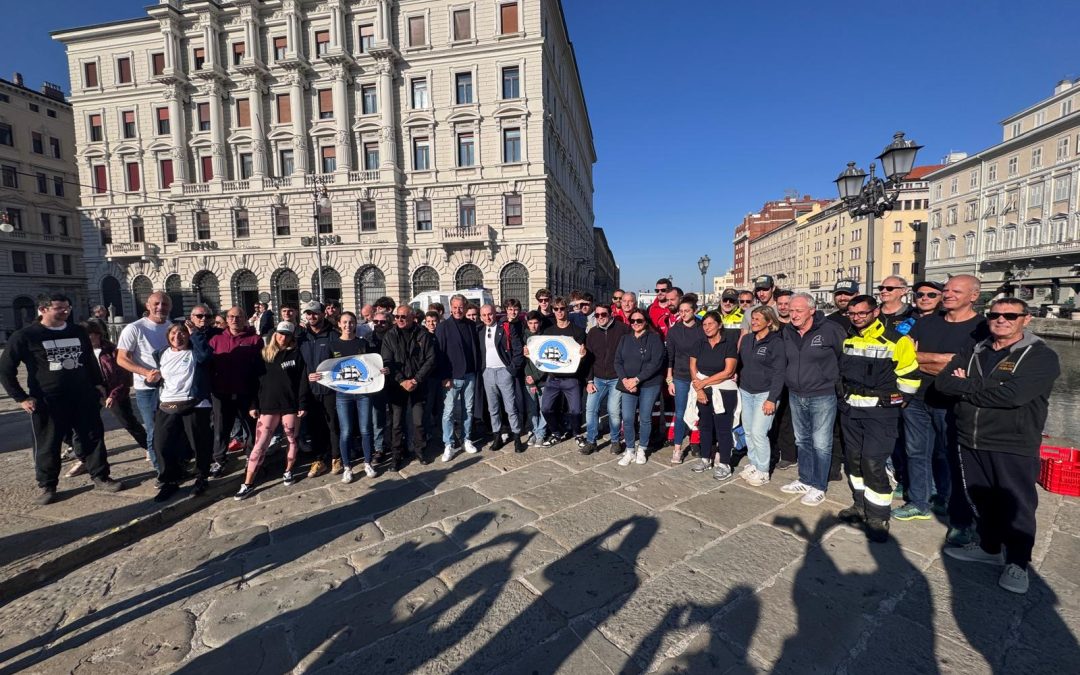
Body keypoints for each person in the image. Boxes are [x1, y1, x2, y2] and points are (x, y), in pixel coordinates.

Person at [936, 298, 1059, 594]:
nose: (1001, 320)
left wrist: (967, 386)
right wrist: (991, 388)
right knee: (980, 498)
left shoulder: (1040, 356)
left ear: (1025, 319)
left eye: (1010, 315)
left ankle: (1017, 562)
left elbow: (1014, 396)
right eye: (995, 315)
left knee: (1017, 504)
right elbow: (943, 383)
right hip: (970, 437)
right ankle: (989, 547)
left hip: (1013, 441)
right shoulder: (976, 348)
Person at [1, 294, 120, 504]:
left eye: (67, 307)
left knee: (93, 437)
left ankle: (101, 476)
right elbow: (5, 369)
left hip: (83, 396)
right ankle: (48, 486)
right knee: (48, 444)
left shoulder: (77, 331)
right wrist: (21, 398)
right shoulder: (26, 335)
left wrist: (99, 383)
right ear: (44, 309)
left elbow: (89, 359)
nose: (65, 311)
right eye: (59, 308)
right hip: (48, 400)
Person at [899, 275, 989, 542]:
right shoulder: (926, 322)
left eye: (955, 291)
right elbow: (906, 357)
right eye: (946, 290)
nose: (947, 294)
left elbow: (971, 368)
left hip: (953, 402)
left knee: (951, 456)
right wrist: (944, 361)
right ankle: (919, 502)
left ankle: (953, 507)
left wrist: (923, 359)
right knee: (915, 451)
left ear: (973, 296)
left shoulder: (981, 328)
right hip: (918, 397)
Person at [835, 295, 920, 543]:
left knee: (873, 463)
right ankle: (859, 505)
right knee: (854, 461)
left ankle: (878, 516)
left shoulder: (896, 340)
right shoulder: (849, 338)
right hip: (852, 409)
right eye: (853, 313)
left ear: (875, 312)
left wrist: (898, 402)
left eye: (862, 313)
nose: (857, 317)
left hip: (880, 412)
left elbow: (910, 376)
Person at [779, 293, 846, 506]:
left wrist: (836, 384)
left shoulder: (830, 330)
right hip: (796, 393)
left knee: (821, 443)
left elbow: (843, 357)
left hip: (822, 394)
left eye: (799, 311)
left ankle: (819, 486)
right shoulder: (788, 331)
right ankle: (806, 479)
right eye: (791, 311)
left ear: (811, 311)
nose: (794, 315)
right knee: (802, 439)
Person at [236, 322, 310, 500]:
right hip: (267, 405)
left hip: (290, 405)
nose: (282, 338)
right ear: (274, 334)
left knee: (292, 439)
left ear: (292, 337)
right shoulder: (263, 355)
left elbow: (302, 381)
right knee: (260, 444)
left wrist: (302, 404)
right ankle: (248, 482)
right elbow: (254, 383)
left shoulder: (296, 354)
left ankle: (288, 471)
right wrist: (253, 405)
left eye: (286, 335)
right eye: (280, 334)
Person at [65, 321, 148, 478]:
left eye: (88, 336)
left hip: (113, 391)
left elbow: (123, 375)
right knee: (83, 428)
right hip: (90, 393)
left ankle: (148, 447)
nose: (86, 340)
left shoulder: (111, 351)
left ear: (97, 334)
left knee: (128, 422)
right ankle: (83, 459)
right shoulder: (79, 351)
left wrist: (113, 395)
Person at [148, 321, 215, 501]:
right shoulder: (161, 353)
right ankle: (170, 480)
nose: (177, 337)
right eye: (173, 334)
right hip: (167, 404)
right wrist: (150, 380)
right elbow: (159, 379)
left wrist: (195, 333)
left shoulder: (195, 352)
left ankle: (201, 477)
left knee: (199, 444)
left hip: (194, 404)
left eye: (182, 333)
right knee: (162, 444)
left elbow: (206, 357)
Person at [116, 291, 173, 470]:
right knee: (154, 429)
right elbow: (121, 358)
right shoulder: (135, 328)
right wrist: (145, 372)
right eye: (156, 303)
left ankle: (173, 463)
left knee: (171, 428)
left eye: (164, 304)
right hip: (147, 389)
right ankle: (160, 470)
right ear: (147, 305)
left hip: (170, 388)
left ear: (170, 307)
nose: (160, 307)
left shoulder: (171, 327)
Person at [207, 306, 262, 477]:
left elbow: (259, 368)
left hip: (246, 391)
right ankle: (219, 460)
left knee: (251, 428)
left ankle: (251, 458)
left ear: (245, 318)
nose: (234, 320)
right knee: (221, 429)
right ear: (226, 319)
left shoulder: (255, 339)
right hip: (221, 393)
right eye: (231, 317)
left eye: (238, 317)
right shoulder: (216, 339)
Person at [737, 306, 786, 487]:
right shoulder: (748, 339)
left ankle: (763, 471)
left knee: (759, 433)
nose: (754, 322)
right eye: (753, 319)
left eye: (758, 319)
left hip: (765, 393)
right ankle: (754, 464)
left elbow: (780, 372)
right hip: (746, 391)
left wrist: (772, 398)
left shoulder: (776, 343)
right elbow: (742, 363)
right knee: (749, 431)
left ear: (769, 322)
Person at [382, 305, 435, 469]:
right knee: (397, 423)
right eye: (397, 317)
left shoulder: (422, 334)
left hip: (417, 384)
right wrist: (401, 381)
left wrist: (416, 380)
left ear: (413, 318)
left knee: (418, 421)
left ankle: (420, 450)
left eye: (403, 317)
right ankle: (396, 455)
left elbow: (430, 359)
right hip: (397, 386)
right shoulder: (390, 335)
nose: (399, 320)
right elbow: (387, 362)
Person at [328, 312, 380, 481]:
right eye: (344, 322)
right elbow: (327, 370)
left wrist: (381, 370)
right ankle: (347, 467)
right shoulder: (333, 345)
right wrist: (317, 376)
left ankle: (367, 462)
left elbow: (372, 365)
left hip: (363, 392)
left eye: (351, 322)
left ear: (356, 324)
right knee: (346, 431)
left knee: (366, 429)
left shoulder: (363, 343)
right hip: (343, 394)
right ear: (339, 324)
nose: (348, 325)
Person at [689, 310, 739, 480]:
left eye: (710, 324)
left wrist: (703, 383)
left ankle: (725, 462)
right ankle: (705, 458)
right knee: (705, 425)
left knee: (723, 428)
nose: (707, 327)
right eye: (704, 324)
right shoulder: (699, 343)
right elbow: (693, 367)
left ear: (719, 325)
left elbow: (728, 371)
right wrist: (699, 389)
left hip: (724, 391)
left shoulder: (729, 344)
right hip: (703, 390)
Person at [614, 309, 666, 466]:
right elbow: (617, 361)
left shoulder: (654, 339)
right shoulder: (624, 339)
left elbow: (656, 363)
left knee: (645, 417)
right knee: (628, 418)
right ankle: (630, 449)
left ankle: (642, 448)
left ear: (646, 321)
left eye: (639, 320)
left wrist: (637, 379)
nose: (636, 323)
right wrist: (625, 380)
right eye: (633, 321)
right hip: (628, 383)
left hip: (649, 384)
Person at [436, 294, 482, 461]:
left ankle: (466, 439)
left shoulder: (471, 325)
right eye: (455, 307)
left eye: (461, 307)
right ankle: (448, 443)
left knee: (468, 409)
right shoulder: (443, 327)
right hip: (451, 376)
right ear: (450, 307)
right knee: (448, 412)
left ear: (465, 307)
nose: (458, 310)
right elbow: (440, 354)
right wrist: (444, 376)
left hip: (470, 374)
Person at [582, 301, 630, 455]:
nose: (600, 317)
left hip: (616, 377)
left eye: (603, 314)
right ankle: (591, 441)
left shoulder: (623, 329)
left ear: (611, 315)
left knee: (614, 410)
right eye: (597, 315)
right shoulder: (592, 333)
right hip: (597, 377)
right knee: (590, 408)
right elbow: (588, 359)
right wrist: (589, 381)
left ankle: (615, 441)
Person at [297, 301, 339, 478]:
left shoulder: (333, 335)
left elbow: (340, 362)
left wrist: (327, 374)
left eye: (315, 313)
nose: (311, 317)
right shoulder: (301, 337)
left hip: (330, 389)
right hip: (310, 391)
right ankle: (319, 459)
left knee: (334, 425)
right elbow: (300, 365)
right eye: (308, 314)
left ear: (323, 314)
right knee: (315, 427)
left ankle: (336, 457)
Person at [477, 304, 527, 453]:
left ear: (495, 314)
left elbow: (518, 349)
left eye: (490, 314)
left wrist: (511, 369)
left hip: (504, 372)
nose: (487, 317)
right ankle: (497, 436)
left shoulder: (506, 327)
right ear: (481, 317)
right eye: (484, 315)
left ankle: (517, 437)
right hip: (488, 373)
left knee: (510, 407)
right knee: (493, 408)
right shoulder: (479, 330)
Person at [666, 298, 704, 463]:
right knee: (680, 412)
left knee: (701, 411)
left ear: (694, 310)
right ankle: (677, 448)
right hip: (680, 376)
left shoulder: (702, 328)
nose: (683, 314)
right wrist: (669, 378)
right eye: (681, 311)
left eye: (686, 311)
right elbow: (670, 356)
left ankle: (700, 442)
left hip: (699, 376)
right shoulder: (674, 331)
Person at [522, 311, 549, 445]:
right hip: (529, 380)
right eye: (530, 323)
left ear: (540, 323)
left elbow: (547, 361)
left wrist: (537, 377)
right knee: (532, 408)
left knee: (543, 408)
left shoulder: (545, 337)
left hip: (543, 379)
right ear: (527, 323)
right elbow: (524, 362)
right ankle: (533, 431)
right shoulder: (523, 338)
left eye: (536, 323)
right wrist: (529, 376)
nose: (533, 326)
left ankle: (541, 433)